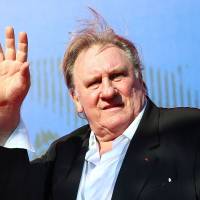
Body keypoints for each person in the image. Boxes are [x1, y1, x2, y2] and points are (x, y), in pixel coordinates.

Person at [0, 10, 200, 200]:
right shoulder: (63, 154)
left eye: (117, 76)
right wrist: (7, 111)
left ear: (141, 81)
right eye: (94, 82)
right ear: (76, 99)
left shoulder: (189, 130)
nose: (107, 91)